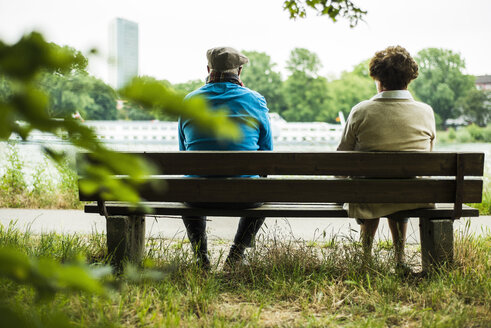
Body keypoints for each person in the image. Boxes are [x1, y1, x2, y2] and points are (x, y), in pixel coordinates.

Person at [337, 45, 436, 274]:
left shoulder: (361, 111)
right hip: (413, 196)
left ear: (378, 80)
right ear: (408, 80)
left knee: (370, 185)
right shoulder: (425, 112)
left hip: (368, 196)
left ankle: (365, 257)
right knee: (400, 185)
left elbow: (342, 156)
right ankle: (400, 258)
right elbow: (429, 155)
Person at [178, 47, 273, 270]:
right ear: (239, 71)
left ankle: (201, 257)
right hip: (244, 196)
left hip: (197, 196)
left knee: (191, 183)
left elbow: (183, 153)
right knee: (266, 190)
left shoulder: (189, 101)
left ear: (208, 69)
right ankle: (236, 254)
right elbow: (267, 154)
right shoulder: (255, 101)